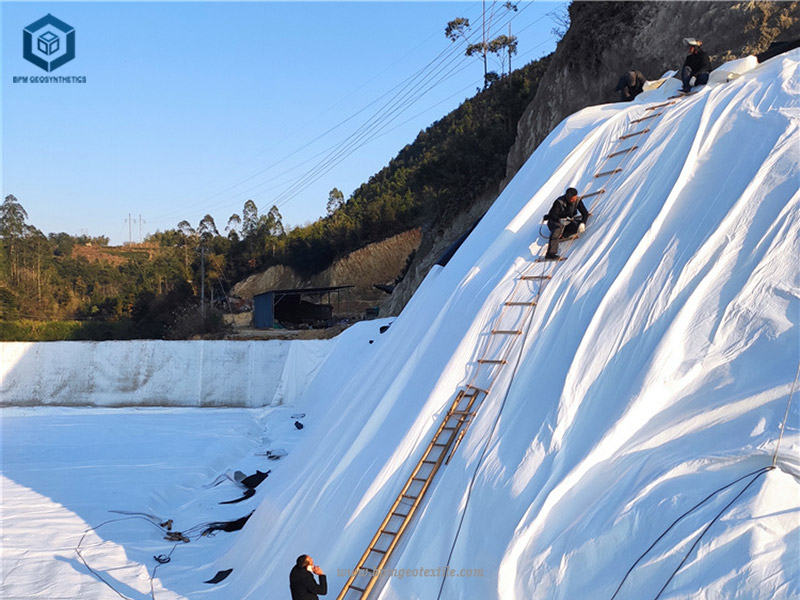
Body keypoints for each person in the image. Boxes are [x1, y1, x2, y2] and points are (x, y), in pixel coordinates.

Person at [544, 187, 589, 260]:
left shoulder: (577, 201)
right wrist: (560, 220)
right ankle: (550, 253)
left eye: (575, 198)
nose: (574, 200)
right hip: (555, 222)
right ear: (568, 197)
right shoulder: (559, 202)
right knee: (557, 229)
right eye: (572, 199)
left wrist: (583, 223)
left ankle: (563, 234)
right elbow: (552, 215)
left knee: (577, 225)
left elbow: (585, 213)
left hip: (568, 222)